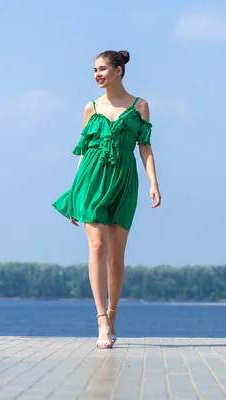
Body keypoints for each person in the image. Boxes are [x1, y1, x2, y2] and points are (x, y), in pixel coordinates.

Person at [52, 50, 161, 349]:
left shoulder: (140, 106)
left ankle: (113, 313)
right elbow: (83, 152)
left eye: (103, 69)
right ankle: (101, 319)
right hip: (91, 181)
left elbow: (145, 147)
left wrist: (154, 182)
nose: (98, 74)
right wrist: (75, 192)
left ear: (119, 70)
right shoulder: (90, 108)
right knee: (97, 246)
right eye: (95, 70)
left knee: (116, 259)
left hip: (125, 182)